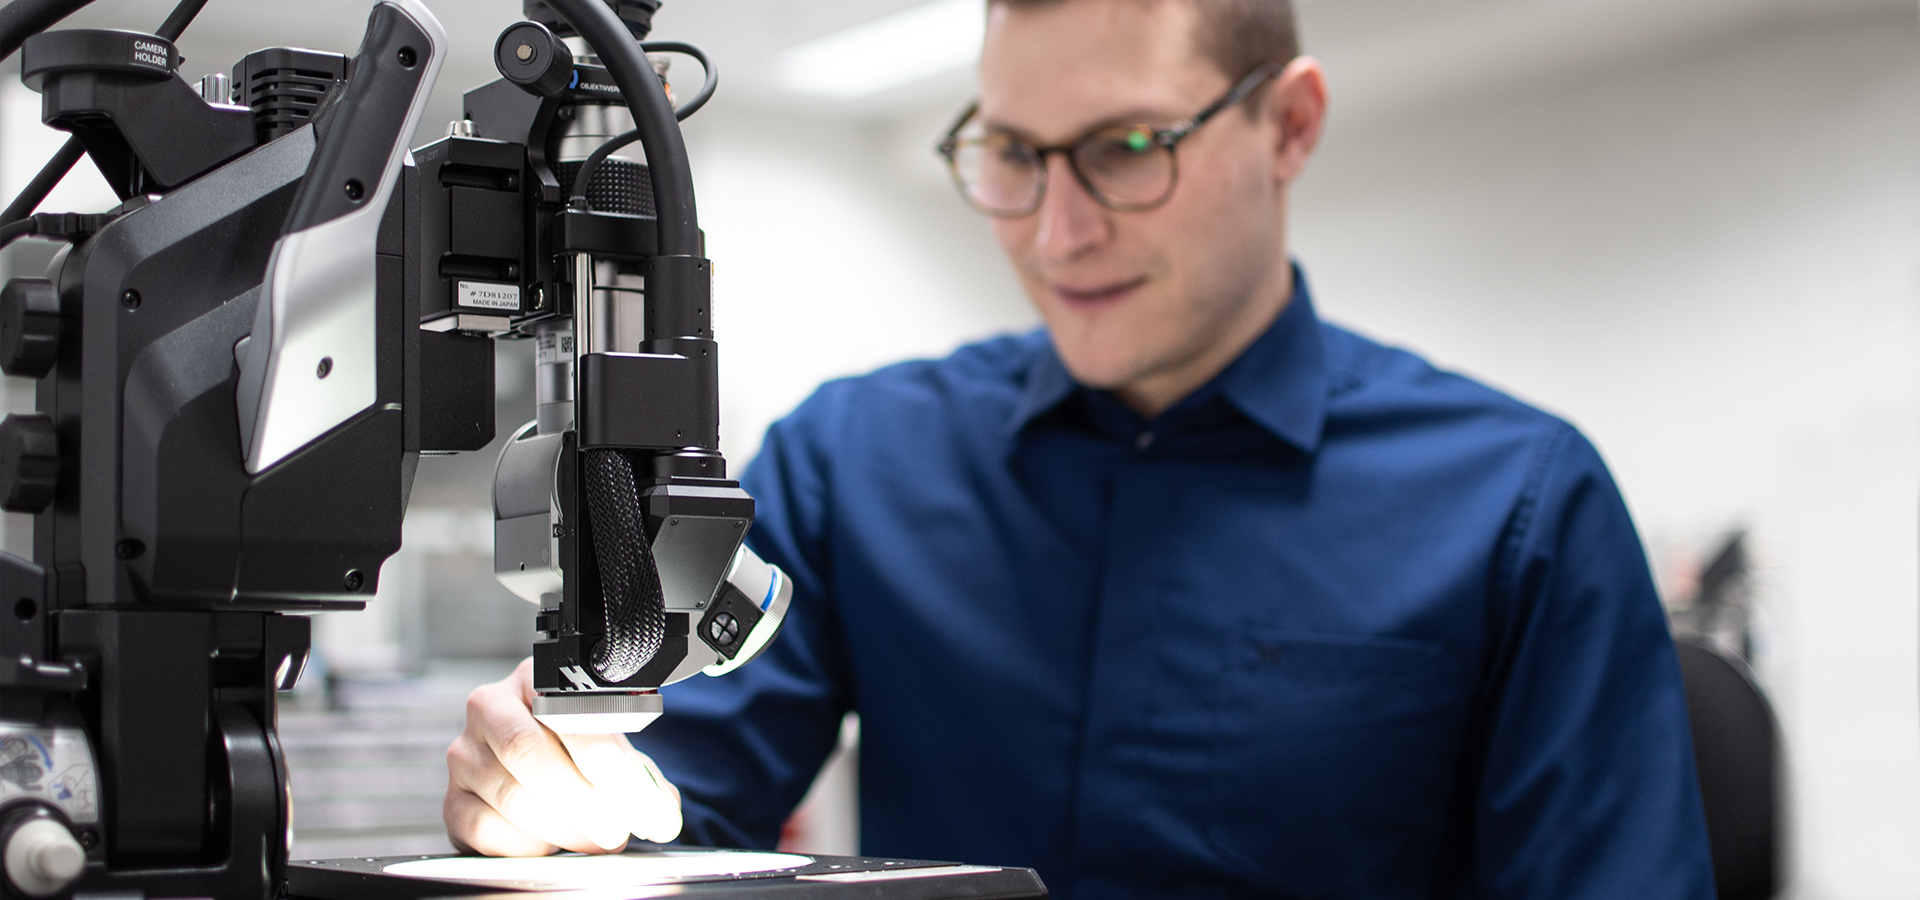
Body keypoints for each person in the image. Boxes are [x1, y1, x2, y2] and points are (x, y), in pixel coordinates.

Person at [445, 0, 1717, 895]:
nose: (1056, 234)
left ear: (1289, 127)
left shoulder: (1517, 506)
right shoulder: (856, 460)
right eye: (1010, 154)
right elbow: (672, 805)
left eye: (1126, 150)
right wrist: (551, 793)